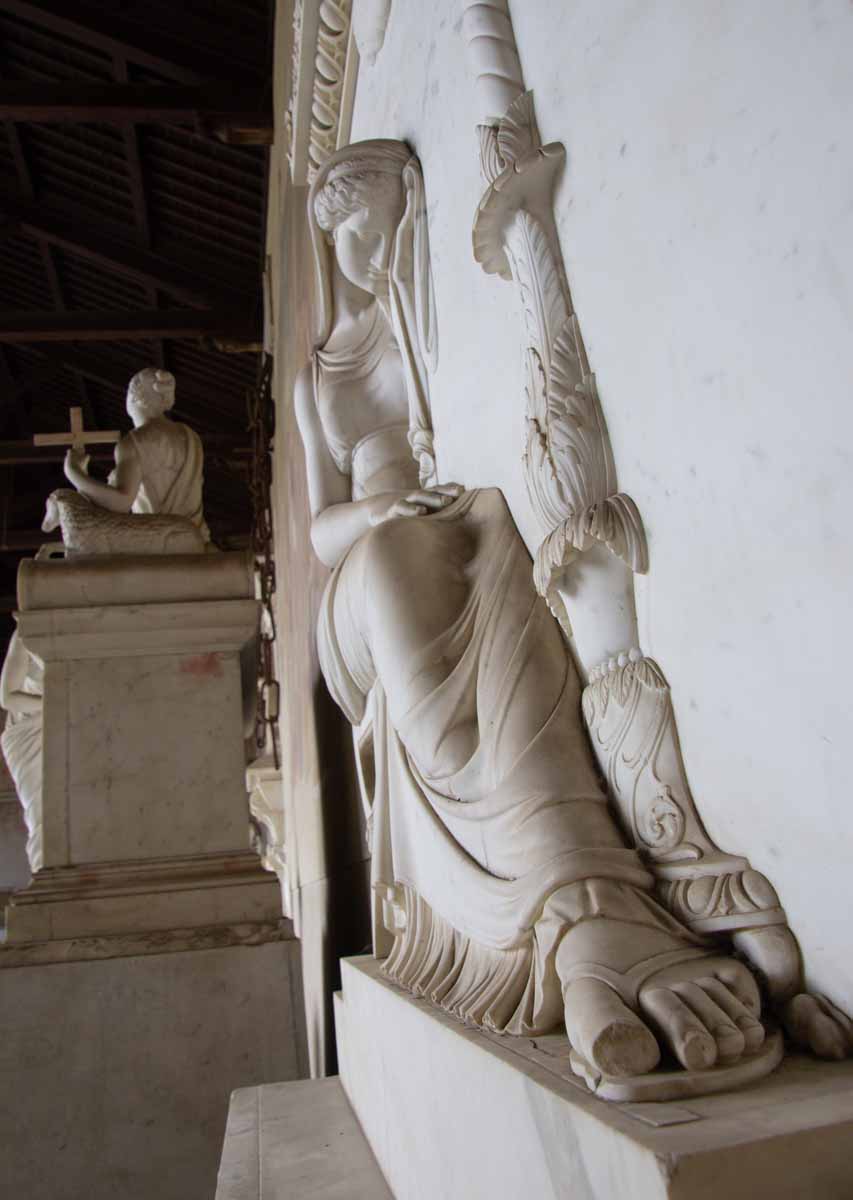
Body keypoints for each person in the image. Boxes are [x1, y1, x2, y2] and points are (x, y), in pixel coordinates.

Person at [295, 140, 851, 1090]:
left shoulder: (416, 321)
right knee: (401, 562)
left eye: (388, 231)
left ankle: (598, 898)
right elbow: (318, 530)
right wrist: (381, 510)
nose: (375, 253)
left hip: (452, 526)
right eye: (356, 237)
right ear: (328, 243)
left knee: (498, 551)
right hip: (366, 564)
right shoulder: (319, 375)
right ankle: (576, 915)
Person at [62, 367, 210, 541]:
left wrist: (73, 472)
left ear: (134, 398)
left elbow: (120, 503)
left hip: (159, 542)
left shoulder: (134, 442)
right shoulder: (191, 436)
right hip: (196, 537)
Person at [0, 629, 44, 874]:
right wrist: (56, 705)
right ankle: (44, 870)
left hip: (69, 724)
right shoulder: (25, 633)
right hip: (28, 731)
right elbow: (8, 698)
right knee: (40, 810)